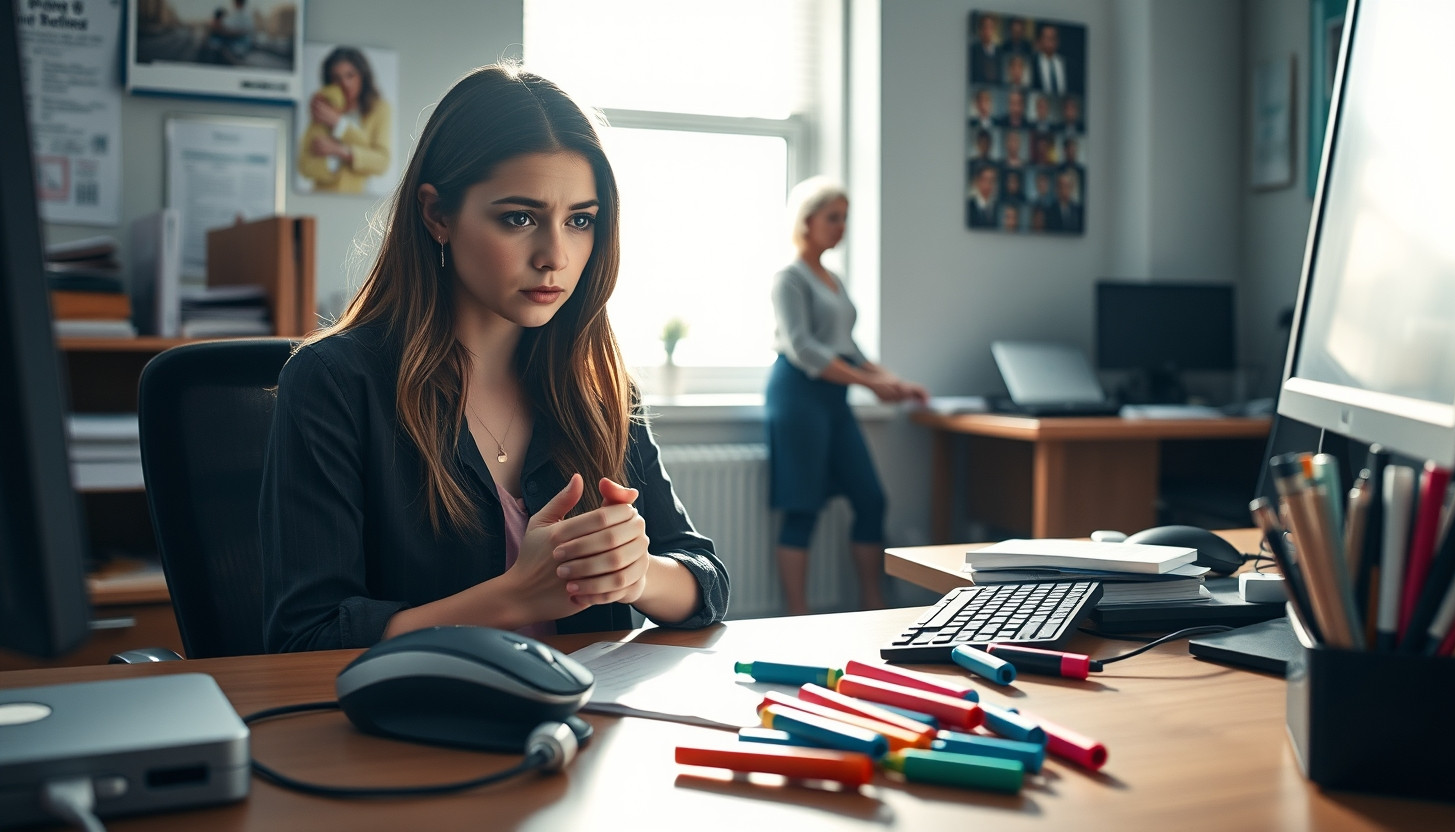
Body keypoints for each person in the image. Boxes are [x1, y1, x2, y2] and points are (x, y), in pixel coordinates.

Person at [261, 64, 730, 651]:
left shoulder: (597, 384)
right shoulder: (336, 382)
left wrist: (639, 574)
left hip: (581, 728)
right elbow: (306, 638)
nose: (555, 255)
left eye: (580, 220)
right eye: (519, 218)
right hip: (410, 730)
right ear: (437, 215)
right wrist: (517, 596)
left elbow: (704, 578)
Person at [766, 177, 927, 615]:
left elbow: (849, 348)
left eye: (845, 219)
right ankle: (796, 614)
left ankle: (872, 602)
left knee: (871, 499)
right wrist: (869, 384)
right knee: (803, 508)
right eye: (833, 218)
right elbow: (805, 349)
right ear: (808, 221)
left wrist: (894, 379)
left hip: (834, 399)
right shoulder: (789, 278)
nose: (841, 227)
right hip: (799, 396)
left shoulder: (832, 278)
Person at [298, 47, 392, 194]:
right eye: (337, 78)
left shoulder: (379, 109)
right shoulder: (323, 107)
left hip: (358, 200)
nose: (345, 84)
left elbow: (381, 163)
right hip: (321, 197)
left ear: (363, 76)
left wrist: (339, 145)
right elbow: (305, 165)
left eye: (350, 75)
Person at [967, 163, 999, 229]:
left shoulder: (998, 206)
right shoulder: (969, 205)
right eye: (985, 179)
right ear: (977, 181)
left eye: (992, 180)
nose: (988, 184)